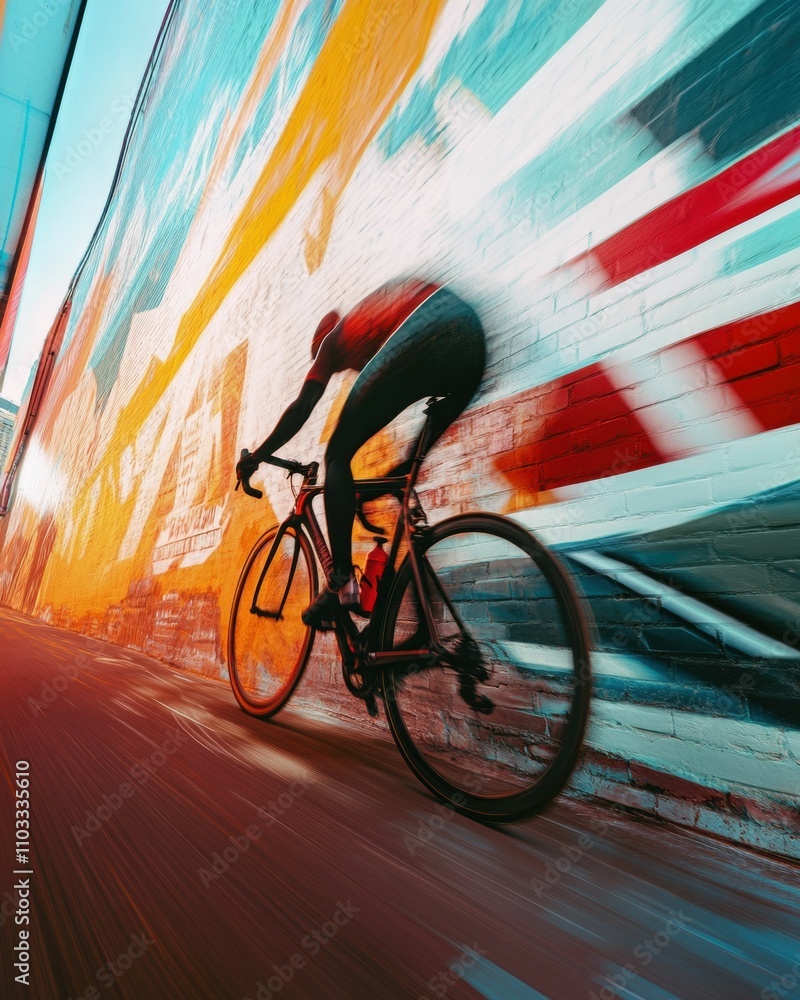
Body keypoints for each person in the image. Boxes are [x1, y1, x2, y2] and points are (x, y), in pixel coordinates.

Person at [236, 278, 486, 628]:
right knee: (405, 471)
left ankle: (341, 583)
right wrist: (367, 490)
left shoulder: (333, 339)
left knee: (337, 453)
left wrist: (257, 456)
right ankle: (423, 635)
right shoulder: (371, 338)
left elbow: (303, 406)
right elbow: (387, 393)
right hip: (470, 341)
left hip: (430, 321)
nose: (329, 368)